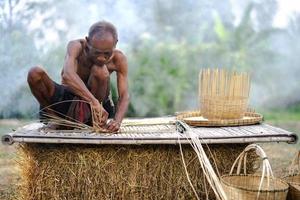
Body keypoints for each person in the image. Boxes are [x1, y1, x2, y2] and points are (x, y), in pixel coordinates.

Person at [27, 21, 130, 132]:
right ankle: (56, 120)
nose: (101, 58)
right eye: (97, 53)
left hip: (97, 109)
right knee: (34, 73)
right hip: (67, 102)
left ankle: (96, 121)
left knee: (100, 70)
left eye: (107, 54)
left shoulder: (119, 59)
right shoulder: (76, 46)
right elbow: (68, 75)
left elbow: (124, 95)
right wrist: (93, 101)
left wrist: (117, 121)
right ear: (88, 41)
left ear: (115, 43)